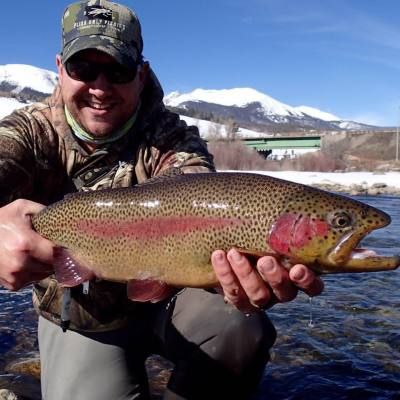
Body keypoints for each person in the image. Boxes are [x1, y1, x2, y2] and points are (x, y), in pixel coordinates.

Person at [0, 1, 324, 399]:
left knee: (240, 325)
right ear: (59, 68)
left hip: (171, 298)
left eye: (117, 69)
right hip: (85, 314)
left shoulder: (172, 136)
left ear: (142, 72)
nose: (100, 86)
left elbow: (198, 188)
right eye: (83, 68)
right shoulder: (28, 133)